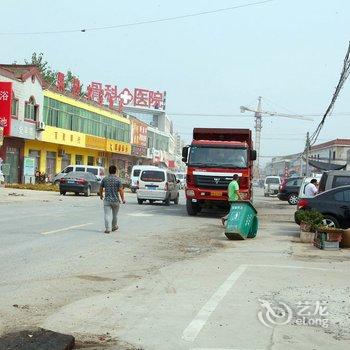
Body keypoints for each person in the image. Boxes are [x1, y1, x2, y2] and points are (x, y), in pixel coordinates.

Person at [99, 165, 126, 234]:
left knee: (107, 215)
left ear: (109, 171)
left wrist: (101, 195)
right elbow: (121, 190)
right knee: (115, 215)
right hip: (115, 200)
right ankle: (114, 226)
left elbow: (101, 188)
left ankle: (107, 229)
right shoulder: (118, 179)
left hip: (107, 200)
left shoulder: (105, 179)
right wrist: (123, 199)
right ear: (115, 171)